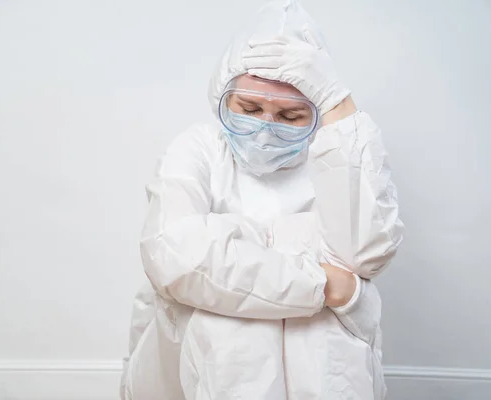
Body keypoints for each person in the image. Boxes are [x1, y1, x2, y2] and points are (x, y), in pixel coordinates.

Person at [120, 1, 404, 399]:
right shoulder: (197, 149)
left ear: (317, 113)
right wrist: (322, 285)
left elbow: (366, 253)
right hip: (205, 366)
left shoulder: (332, 160)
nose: (265, 129)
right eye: (249, 108)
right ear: (223, 96)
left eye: (290, 117)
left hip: (325, 371)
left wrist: (340, 105)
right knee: (229, 323)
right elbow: (177, 258)